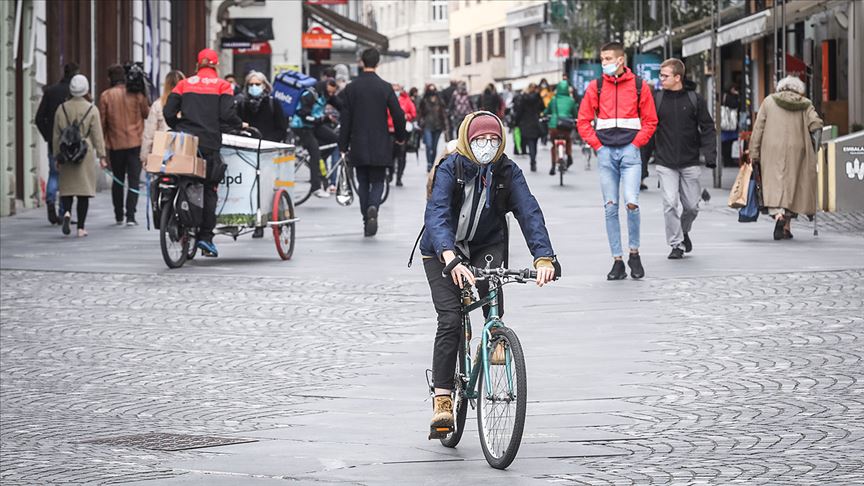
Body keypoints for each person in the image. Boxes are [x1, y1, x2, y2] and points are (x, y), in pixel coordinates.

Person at [420, 112, 560, 435]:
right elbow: (437, 214)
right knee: (451, 319)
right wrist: (449, 258)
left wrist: (544, 258)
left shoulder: (507, 171)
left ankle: (495, 335)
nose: (487, 146)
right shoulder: (450, 168)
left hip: (485, 242)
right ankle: (442, 399)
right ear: (468, 140)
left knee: (492, 284)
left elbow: (529, 211)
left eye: (493, 141)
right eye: (480, 140)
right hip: (441, 249)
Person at [577, 41, 657, 280]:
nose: (605, 64)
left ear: (621, 60)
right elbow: (583, 121)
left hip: (630, 152)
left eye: (608, 59)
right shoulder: (596, 86)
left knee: (632, 202)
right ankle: (617, 260)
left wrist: (635, 144)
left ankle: (634, 253)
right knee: (610, 206)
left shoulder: (640, 86)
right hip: (606, 153)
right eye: (602, 60)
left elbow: (651, 120)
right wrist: (598, 146)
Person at [164, 48, 244, 257]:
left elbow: (168, 112)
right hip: (209, 144)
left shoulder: (184, 84)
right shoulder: (223, 86)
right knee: (209, 188)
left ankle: (175, 219)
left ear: (198, 65)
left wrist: (179, 125)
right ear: (216, 66)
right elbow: (227, 114)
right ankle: (205, 238)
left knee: (181, 178)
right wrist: (239, 125)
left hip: (185, 142)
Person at [643, 58, 716, 260]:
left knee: (692, 207)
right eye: (660, 75)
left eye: (665, 76)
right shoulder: (657, 100)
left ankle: (683, 232)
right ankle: (676, 244)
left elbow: (708, 127)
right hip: (665, 162)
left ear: (677, 77)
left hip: (690, 161)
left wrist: (710, 155)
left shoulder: (695, 99)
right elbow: (648, 133)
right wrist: (643, 165)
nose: (661, 79)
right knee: (669, 202)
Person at [338, 48, 407, 236]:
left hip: (358, 142)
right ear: (378, 63)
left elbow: (346, 119)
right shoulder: (385, 87)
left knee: (362, 181)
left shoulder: (351, 88)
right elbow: (399, 115)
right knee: (378, 180)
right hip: (380, 142)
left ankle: (365, 216)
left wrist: (342, 146)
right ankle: (374, 207)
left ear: (361, 62)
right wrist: (400, 138)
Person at [748, 75, 823, 240]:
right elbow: (816, 125)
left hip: (771, 150)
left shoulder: (768, 102)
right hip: (797, 150)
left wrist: (753, 152)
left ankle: (779, 216)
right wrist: (815, 146)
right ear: (798, 90)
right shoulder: (805, 104)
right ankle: (787, 228)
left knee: (774, 184)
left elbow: (758, 128)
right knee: (793, 187)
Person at [52, 74, 106, 237]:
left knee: (67, 189)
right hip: (84, 153)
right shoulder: (92, 109)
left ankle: (67, 212)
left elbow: (56, 134)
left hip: (66, 153)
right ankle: (81, 227)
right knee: (83, 193)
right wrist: (102, 155)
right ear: (86, 90)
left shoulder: (61, 109)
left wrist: (57, 156)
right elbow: (97, 135)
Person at [99, 63, 150, 226]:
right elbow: (146, 113)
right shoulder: (136, 95)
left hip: (115, 144)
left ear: (110, 79)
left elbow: (102, 122)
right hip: (135, 142)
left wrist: (103, 147)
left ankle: (118, 214)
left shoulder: (106, 96)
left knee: (118, 180)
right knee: (134, 180)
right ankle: (131, 216)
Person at [36, 62, 79, 225]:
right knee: (68, 178)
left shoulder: (50, 92)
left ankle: (50, 203)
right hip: (73, 144)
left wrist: (48, 136)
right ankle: (64, 212)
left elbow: (39, 118)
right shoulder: (75, 95)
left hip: (54, 142)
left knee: (54, 174)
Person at [291, 80, 333, 199]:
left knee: (335, 139)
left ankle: (319, 157)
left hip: (312, 126)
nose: (331, 94)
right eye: (330, 91)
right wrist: (319, 120)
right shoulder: (309, 95)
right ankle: (316, 187)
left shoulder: (323, 95)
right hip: (301, 126)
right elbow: (304, 115)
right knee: (315, 153)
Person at [140, 70, 185, 167]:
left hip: (161, 154)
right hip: (183, 153)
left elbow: (149, 134)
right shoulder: (187, 105)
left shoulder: (158, 105)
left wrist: (145, 157)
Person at [236, 71, 287, 143]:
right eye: (251, 84)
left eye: (257, 84)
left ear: (264, 85)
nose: (254, 87)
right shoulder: (242, 104)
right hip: (247, 146)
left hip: (268, 147)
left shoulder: (272, 103)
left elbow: (281, 128)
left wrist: (268, 142)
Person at [544, 80, 578, 175]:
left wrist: (544, 115)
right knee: (568, 140)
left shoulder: (553, 100)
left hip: (554, 126)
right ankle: (569, 155)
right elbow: (575, 113)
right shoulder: (571, 101)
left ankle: (553, 165)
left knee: (553, 144)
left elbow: (547, 111)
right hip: (566, 126)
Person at [388, 83, 417, 187]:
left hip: (403, 130)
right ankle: (390, 174)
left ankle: (399, 177)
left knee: (401, 154)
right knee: (390, 154)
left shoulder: (406, 100)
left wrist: (406, 116)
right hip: (390, 130)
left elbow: (413, 113)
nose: (396, 91)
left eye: (398, 89)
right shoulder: (387, 99)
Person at [515, 83, 544, 172]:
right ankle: (533, 159)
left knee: (530, 142)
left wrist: (516, 122)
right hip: (535, 122)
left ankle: (532, 160)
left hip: (526, 122)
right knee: (534, 142)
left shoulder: (524, 98)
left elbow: (519, 111)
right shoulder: (538, 98)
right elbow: (542, 108)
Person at [418, 84, 447, 172]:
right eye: (431, 90)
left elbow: (443, 114)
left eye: (434, 90)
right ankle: (429, 163)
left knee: (434, 147)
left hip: (438, 126)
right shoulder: (424, 101)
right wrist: (420, 123)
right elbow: (420, 112)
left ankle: (432, 162)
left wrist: (445, 127)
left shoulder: (439, 101)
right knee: (429, 145)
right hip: (427, 126)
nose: (432, 92)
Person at [721, 84, 741, 167]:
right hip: (729, 124)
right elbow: (735, 105)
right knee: (728, 144)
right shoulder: (730, 97)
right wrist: (737, 96)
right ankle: (728, 161)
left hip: (725, 125)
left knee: (726, 144)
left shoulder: (724, 96)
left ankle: (726, 161)